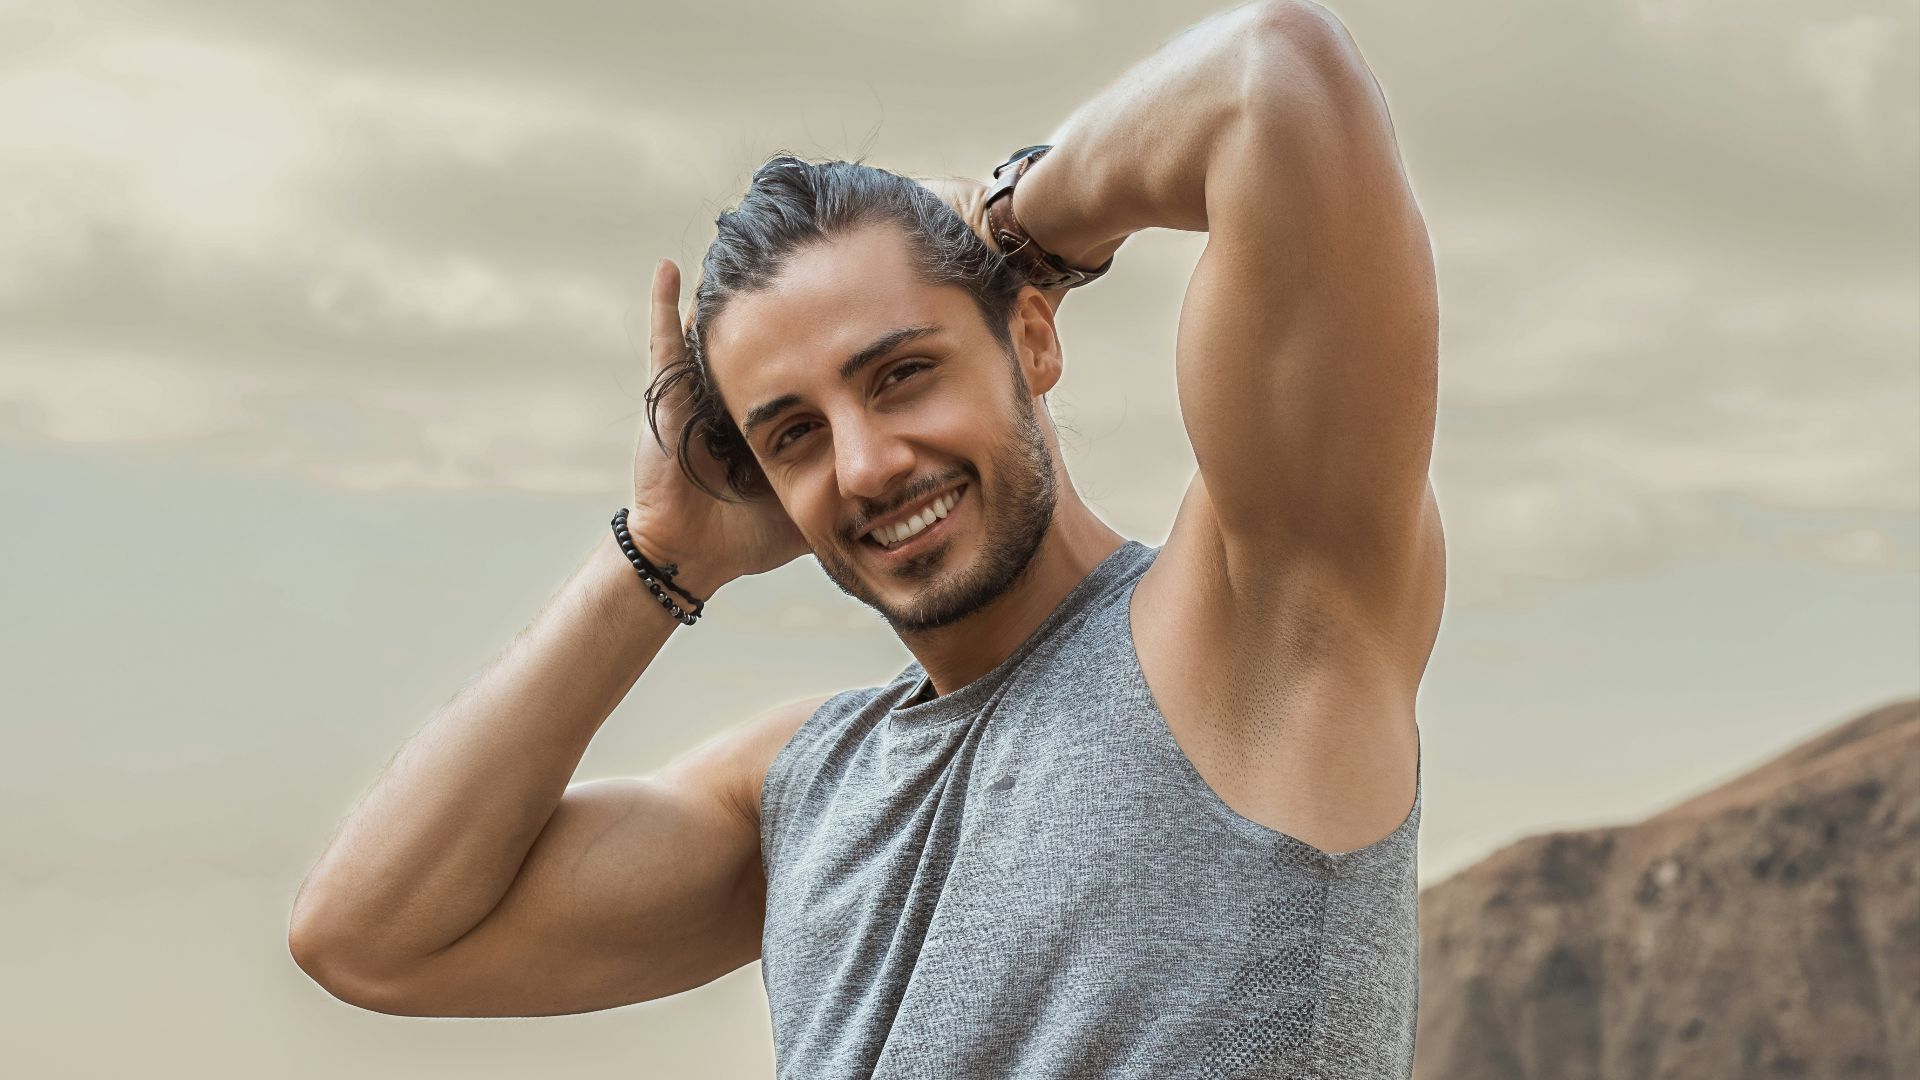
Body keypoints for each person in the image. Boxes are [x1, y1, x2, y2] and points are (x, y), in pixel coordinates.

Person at [288, 1, 1442, 1075]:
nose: (865, 463)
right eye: (792, 435)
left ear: (1032, 340)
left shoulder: (1256, 622)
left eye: (901, 374)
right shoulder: (800, 791)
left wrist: (1007, 225)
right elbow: (372, 937)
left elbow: (1274, 76)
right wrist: (661, 554)